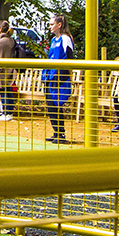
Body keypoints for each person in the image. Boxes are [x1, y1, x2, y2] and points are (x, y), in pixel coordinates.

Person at [41, 14, 74, 144]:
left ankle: (61, 134)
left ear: (59, 25)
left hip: (60, 76)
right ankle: (56, 132)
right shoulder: (54, 40)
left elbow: (70, 57)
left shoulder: (65, 39)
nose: (50, 27)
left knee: (56, 103)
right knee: (50, 105)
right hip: (50, 75)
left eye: (52, 24)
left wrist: (64, 75)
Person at [0, 20, 17, 121]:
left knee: (3, 91)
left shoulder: (1, 41)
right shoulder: (10, 40)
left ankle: (6, 112)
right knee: (8, 89)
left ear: (0, 29)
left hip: (1, 69)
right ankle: (8, 111)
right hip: (9, 68)